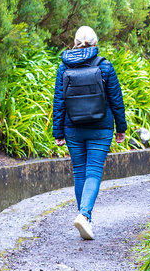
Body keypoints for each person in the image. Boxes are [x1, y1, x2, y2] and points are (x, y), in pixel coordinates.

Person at [52, 26, 127, 240]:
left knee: (79, 172)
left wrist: (58, 131)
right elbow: (116, 100)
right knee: (93, 171)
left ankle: (84, 217)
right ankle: (84, 216)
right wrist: (121, 128)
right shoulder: (105, 66)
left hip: (72, 127)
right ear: (95, 42)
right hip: (101, 127)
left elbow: (59, 102)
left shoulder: (63, 68)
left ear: (75, 42)